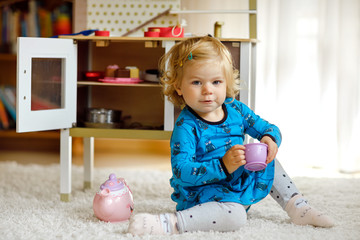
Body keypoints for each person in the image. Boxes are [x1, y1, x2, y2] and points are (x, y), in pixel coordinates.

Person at [128, 36, 334, 235]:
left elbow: (267, 128)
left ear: (226, 83)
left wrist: (269, 139)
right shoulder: (186, 127)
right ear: (179, 87)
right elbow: (182, 171)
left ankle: (298, 207)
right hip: (204, 194)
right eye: (197, 83)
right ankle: (170, 223)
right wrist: (222, 165)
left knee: (268, 158)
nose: (208, 90)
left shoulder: (236, 110)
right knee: (236, 218)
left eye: (216, 82)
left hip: (238, 182)